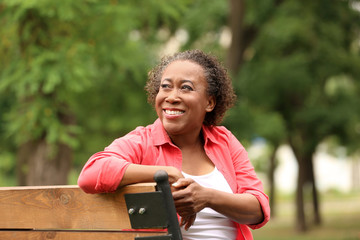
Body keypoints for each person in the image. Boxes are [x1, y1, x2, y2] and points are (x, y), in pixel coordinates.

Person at [78, 49, 270, 240]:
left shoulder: (224, 141)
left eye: (185, 88)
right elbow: (91, 173)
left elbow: (258, 209)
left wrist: (207, 197)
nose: (171, 97)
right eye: (166, 86)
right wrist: (165, 174)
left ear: (209, 102)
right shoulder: (142, 141)